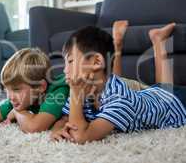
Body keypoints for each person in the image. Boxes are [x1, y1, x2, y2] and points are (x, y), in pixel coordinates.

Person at [51, 23, 186, 144]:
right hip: (153, 94)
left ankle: (159, 41)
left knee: (167, 93)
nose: (64, 70)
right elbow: (64, 119)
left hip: (179, 102)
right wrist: (57, 130)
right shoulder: (84, 88)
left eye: (70, 61)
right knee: (164, 89)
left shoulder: (120, 99)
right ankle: (159, 41)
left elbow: (80, 136)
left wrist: (75, 95)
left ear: (97, 62)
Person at [0, 48, 69, 135]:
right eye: (6, 89)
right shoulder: (20, 99)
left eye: (16, 89)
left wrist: (17, 112)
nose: (10, 97)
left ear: (40, 87)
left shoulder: (57, 92)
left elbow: (35, 127)